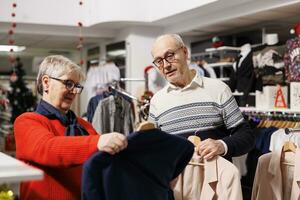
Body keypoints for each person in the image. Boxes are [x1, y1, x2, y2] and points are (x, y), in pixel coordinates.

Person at [13, 55, 128, 200]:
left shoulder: (83, 125)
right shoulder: (27, 121)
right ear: (46, 82)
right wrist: (97, 143)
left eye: (77, 86)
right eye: (68, 83)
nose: (74, 91)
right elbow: (48, 148)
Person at [149, 34, 255, 160]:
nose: (166, 65)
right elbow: (153, 148)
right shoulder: (157, 101)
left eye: (170, 56)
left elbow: (246, 136)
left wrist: (221, 145)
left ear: (185, 52)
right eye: (159, 61)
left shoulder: (218, 89)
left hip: (215, 178)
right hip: (178, 179)